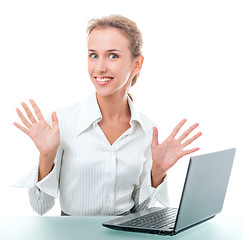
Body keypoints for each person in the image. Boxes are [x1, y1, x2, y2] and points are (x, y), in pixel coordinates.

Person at [13, 15, 202, 216]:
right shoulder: (61, 123)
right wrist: (46, 157)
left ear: (137, 64)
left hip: (125, 233)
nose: (100, 68)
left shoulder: (147, 130)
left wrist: (157, 172)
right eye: (93, 55)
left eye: (112, 56)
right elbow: (40, 207)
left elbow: (140, 210)